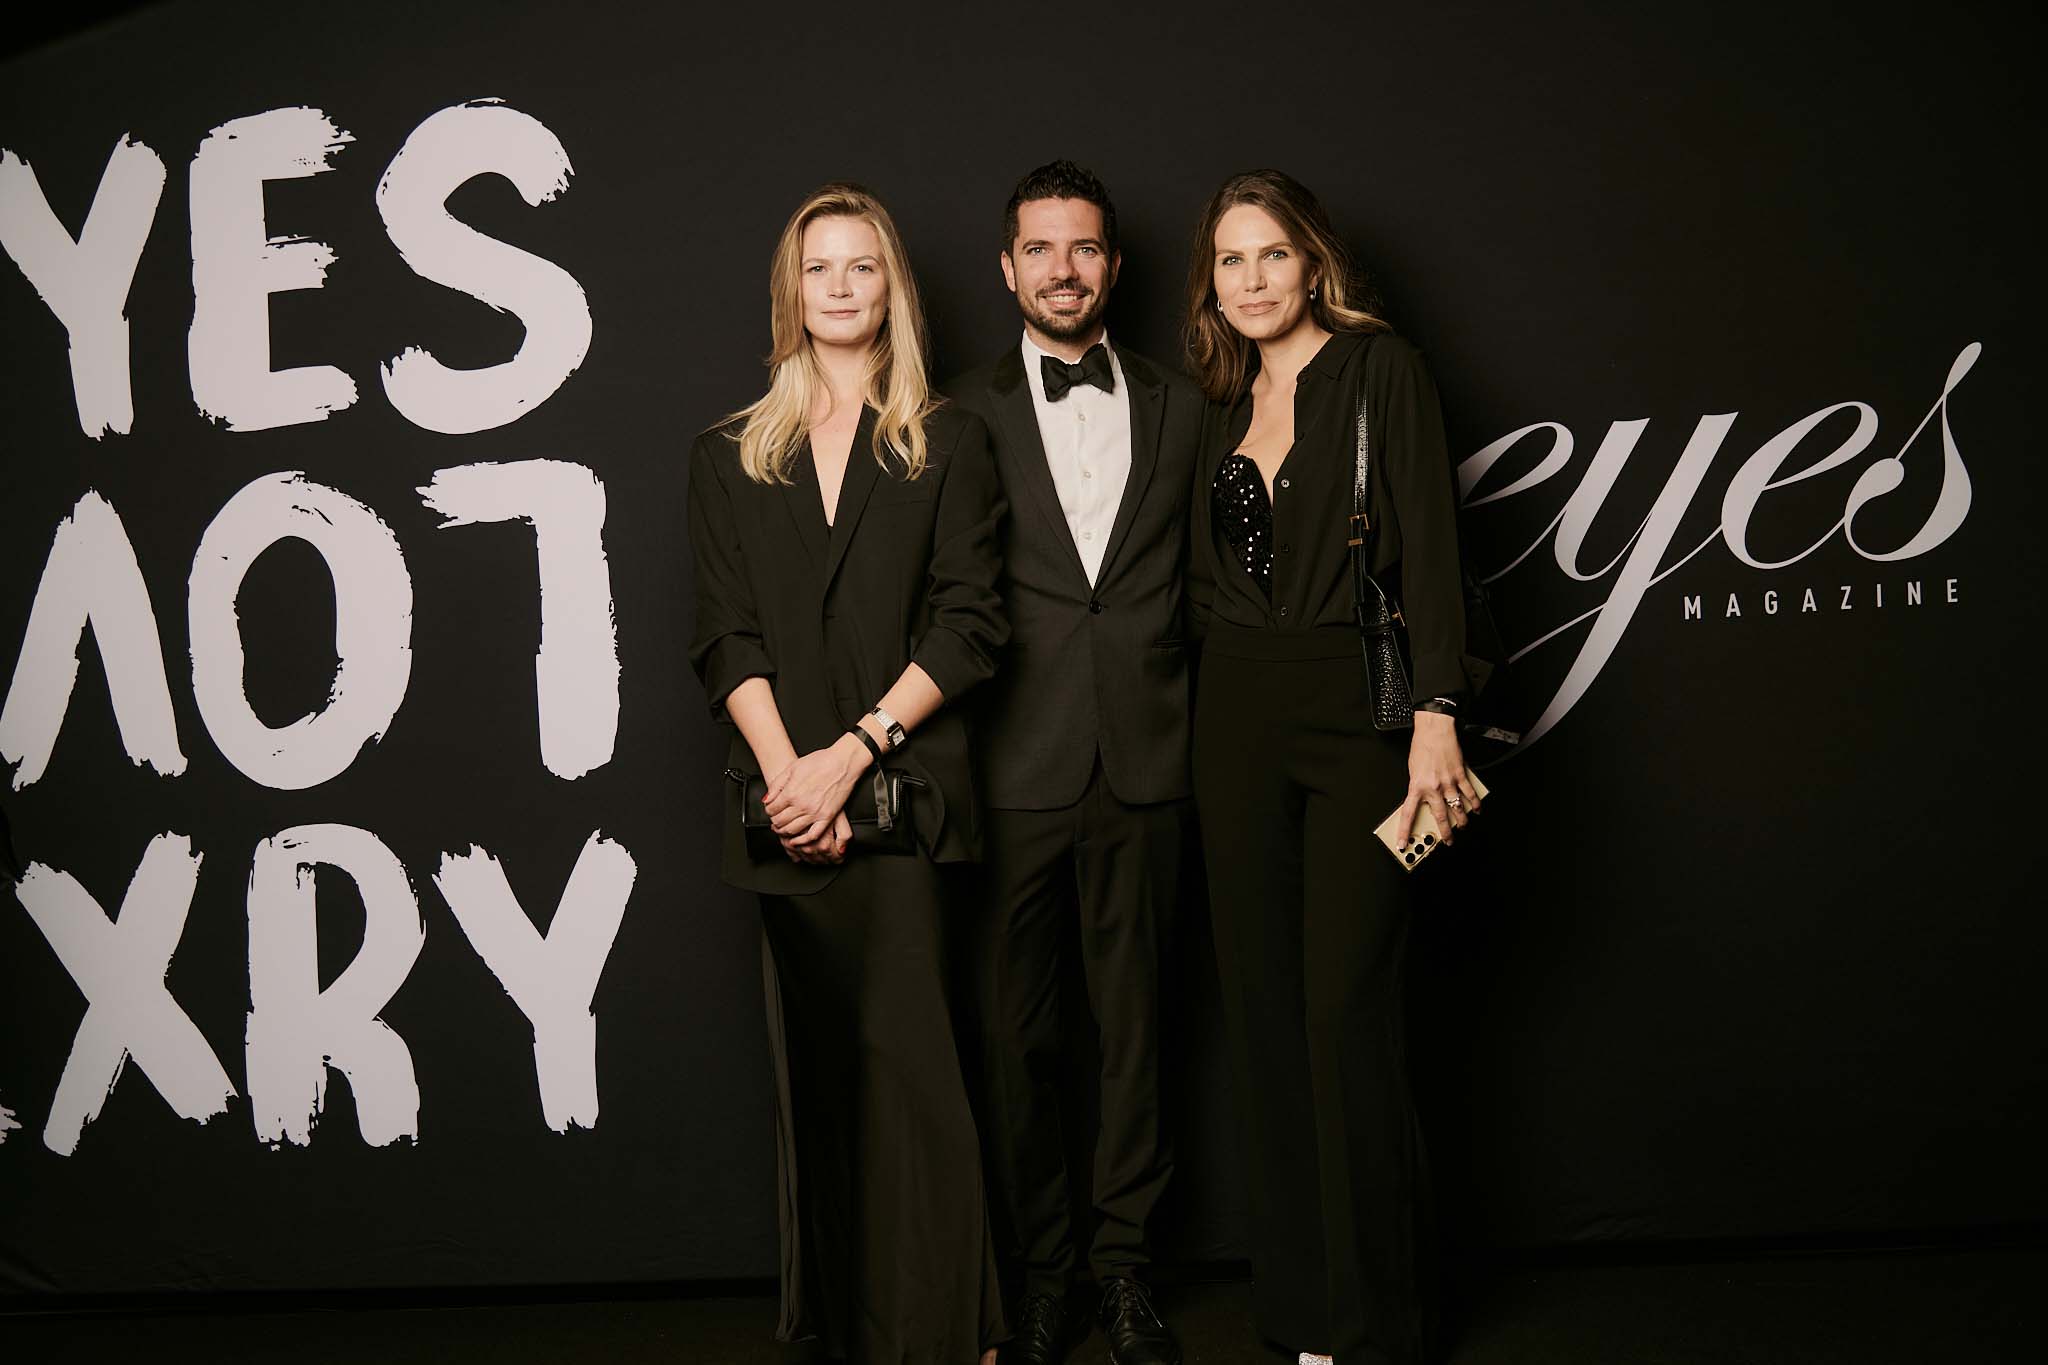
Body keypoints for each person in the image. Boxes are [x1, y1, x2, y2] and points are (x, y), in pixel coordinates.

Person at [688, 182, 1009, 1365]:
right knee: (818, 1081)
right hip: (785, 812)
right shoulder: (726, 455)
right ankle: (840, 1326)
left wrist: (849, 756)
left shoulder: (949, 440)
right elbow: (725, 639)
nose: (838, 285)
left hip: (903, 801)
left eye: (860, 265)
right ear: (790, 290)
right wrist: (792, 783)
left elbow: (970, 627)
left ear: (891, 289)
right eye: (817, 266)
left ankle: (951, 1333)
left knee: (915, 1071)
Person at [1183, 170, 1485, 1365]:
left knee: (1343, 1013)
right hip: (1232, 714)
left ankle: (1375, 1325)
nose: (1250, 279)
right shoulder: (1217, 400)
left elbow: (1432, 555)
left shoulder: (1379, 372)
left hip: (1359, 710)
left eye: (1271, 254)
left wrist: (1435, 712)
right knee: (1262, 1018)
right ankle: (1303, 1316)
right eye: (1229, 259)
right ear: (1210, 282)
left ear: (1312, 263)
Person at [945, 160, 1204, 1365]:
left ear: (1114, 264)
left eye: (1084, 247)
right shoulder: (956, 412)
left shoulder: (1183, 405)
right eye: (1040, 248)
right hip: (1011, 765)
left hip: (1149, 758)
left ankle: (1125, 1270)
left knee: (1138, 1033)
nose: (1063, 269)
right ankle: (1043, 1275)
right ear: (1007, 268)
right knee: (1017, 1038)